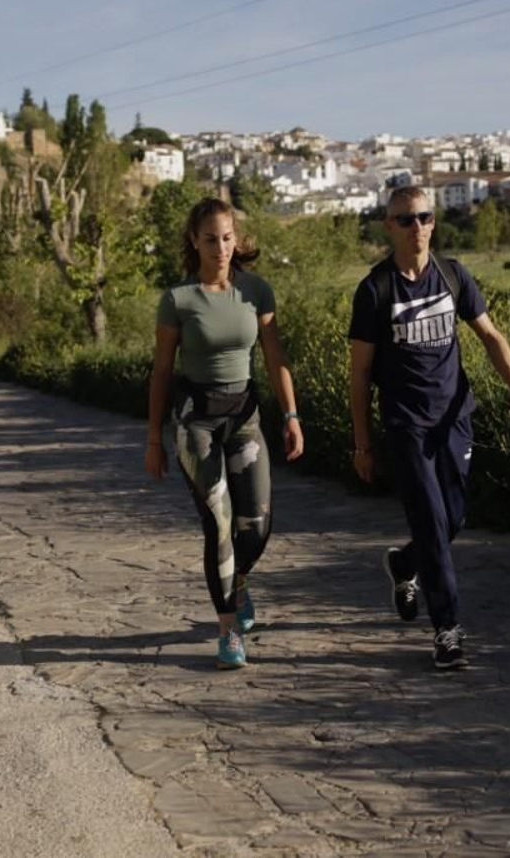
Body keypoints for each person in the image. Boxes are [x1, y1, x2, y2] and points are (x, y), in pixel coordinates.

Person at [348, 185, 510, 669]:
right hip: (406, 425)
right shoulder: (375, 290)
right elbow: (360, 374)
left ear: (435, 222)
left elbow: (490, 335)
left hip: (454, 418)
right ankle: (447, 631)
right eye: (406, 219)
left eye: (425, 217)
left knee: (452, 519)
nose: (418, 227)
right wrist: (363, 443)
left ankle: (403, 564)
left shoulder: (453, 276)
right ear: (389, 226)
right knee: (433, 523)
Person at [147, 197, 304, 670]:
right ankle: (228, 631)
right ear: (194, 241)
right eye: (211, 239)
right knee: (218, 525)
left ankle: (237, 582)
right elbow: (160, 371)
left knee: (256, 526)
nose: (220, 247)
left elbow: (275, 359)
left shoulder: (257, 291)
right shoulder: (178, 299)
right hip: (196, 422)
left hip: (245, 418)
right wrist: (154, 437)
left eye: (227, 238)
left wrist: (292, 415)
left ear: (238, 240)